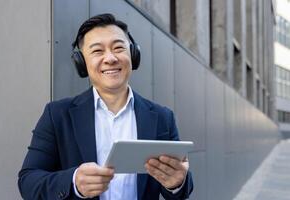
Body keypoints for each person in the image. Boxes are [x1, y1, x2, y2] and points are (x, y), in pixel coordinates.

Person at [18, 13, 193, 200]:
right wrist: (74, 182)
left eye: (118, 48)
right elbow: (28, 182)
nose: (110, 58)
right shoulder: (57, 115)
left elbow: (181, 191)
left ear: (133, 55)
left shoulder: (162, 117)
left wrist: (177, 183)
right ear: (81, 62)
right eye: (97, 51)